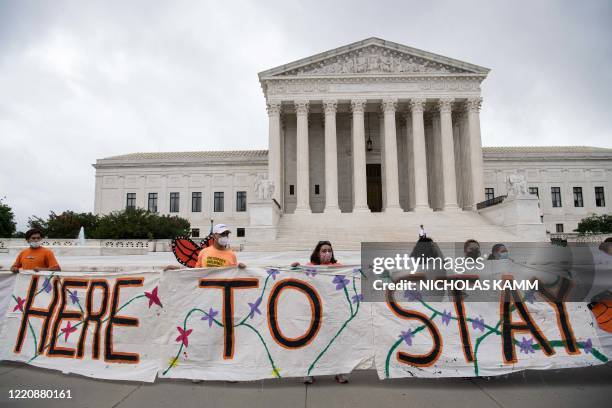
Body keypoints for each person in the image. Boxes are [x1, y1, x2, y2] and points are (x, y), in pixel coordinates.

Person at [292, 241, 348, 384]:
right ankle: (308, 372)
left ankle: (339, 371)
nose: (327, 253)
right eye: (323, 251)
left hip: (334, 312)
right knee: (312, 343)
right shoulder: (309, 267)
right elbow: (296, 278)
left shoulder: (339, 268)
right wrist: (295, 268)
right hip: (315, 311)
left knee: (336, 342)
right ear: (317, 252)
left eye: (329, 251)